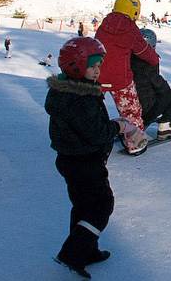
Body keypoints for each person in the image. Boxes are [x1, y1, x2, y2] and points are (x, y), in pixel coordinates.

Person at [46, 36, 145, 279]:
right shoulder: (79, 98)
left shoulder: (70, 91)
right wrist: (119, 127)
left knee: (84, 205)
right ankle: (72, 253)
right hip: (84, 161)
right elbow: (96, 133)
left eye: (99, 64)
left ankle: (87, 250)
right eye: (93, 66)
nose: (98, 70)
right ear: (76, 66)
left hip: (73, 159)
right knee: (101, 205)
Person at [95, 0, 160, 156]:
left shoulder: (105, 24)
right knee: (131, 111)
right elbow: (142, 49)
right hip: (120, 79)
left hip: (98, 77)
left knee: (94, 108)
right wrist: (154, 59)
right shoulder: (130, 28)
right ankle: (135, 143)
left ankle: (93, 135)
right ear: (134, 11)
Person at [133, 29, 171, 140]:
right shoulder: (148, 62)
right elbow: (159, 85)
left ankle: (170, 118)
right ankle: (168, 124)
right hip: (146, 111)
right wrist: (170, 102)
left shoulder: (128, 59)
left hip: (133, 110)